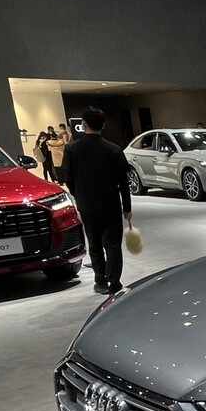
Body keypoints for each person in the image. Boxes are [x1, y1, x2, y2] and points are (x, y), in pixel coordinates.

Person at [62, 107, 132, 295]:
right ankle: (114, 282)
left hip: (87, 205)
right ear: (103, 125)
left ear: (83, 124)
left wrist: (79, 196)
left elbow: (68, 178)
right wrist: (127, 207)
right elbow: (123, 182)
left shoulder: (71, 149)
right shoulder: (114, 149)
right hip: (111, 204)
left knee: (94, 244)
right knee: (113, 245)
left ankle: (100, 281)